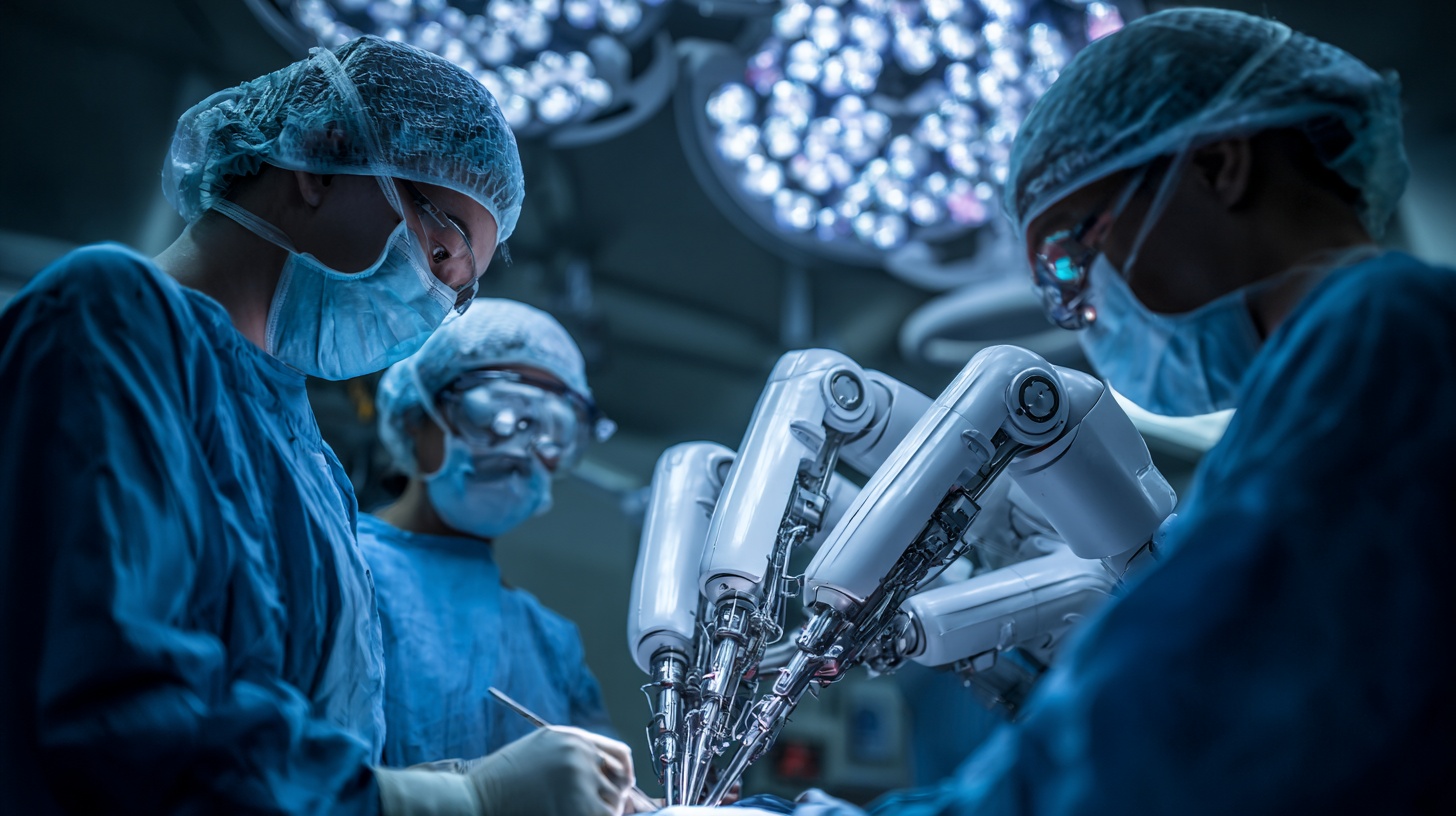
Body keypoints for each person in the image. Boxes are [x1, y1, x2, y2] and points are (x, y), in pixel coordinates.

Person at [661, 7, 1455, 815]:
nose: (1078, 314)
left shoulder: (1384, 335)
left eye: (1070, 256)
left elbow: (1150, 740)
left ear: (1218, 166)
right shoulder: (1311, 408)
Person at [0, 35, 634, 816]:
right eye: (439, 252)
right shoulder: (110, 319)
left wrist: (439, 786)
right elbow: (120, 718)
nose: (434, 306)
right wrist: (463, 804)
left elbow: (305, 739)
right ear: (322, 157)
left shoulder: (312, 466)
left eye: (458, 292)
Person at [362, 298, 618, 767]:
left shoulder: (550, 644)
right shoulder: (338, 566)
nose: (520, 450)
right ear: (414, 419)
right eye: (494, 415)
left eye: (551, 429)